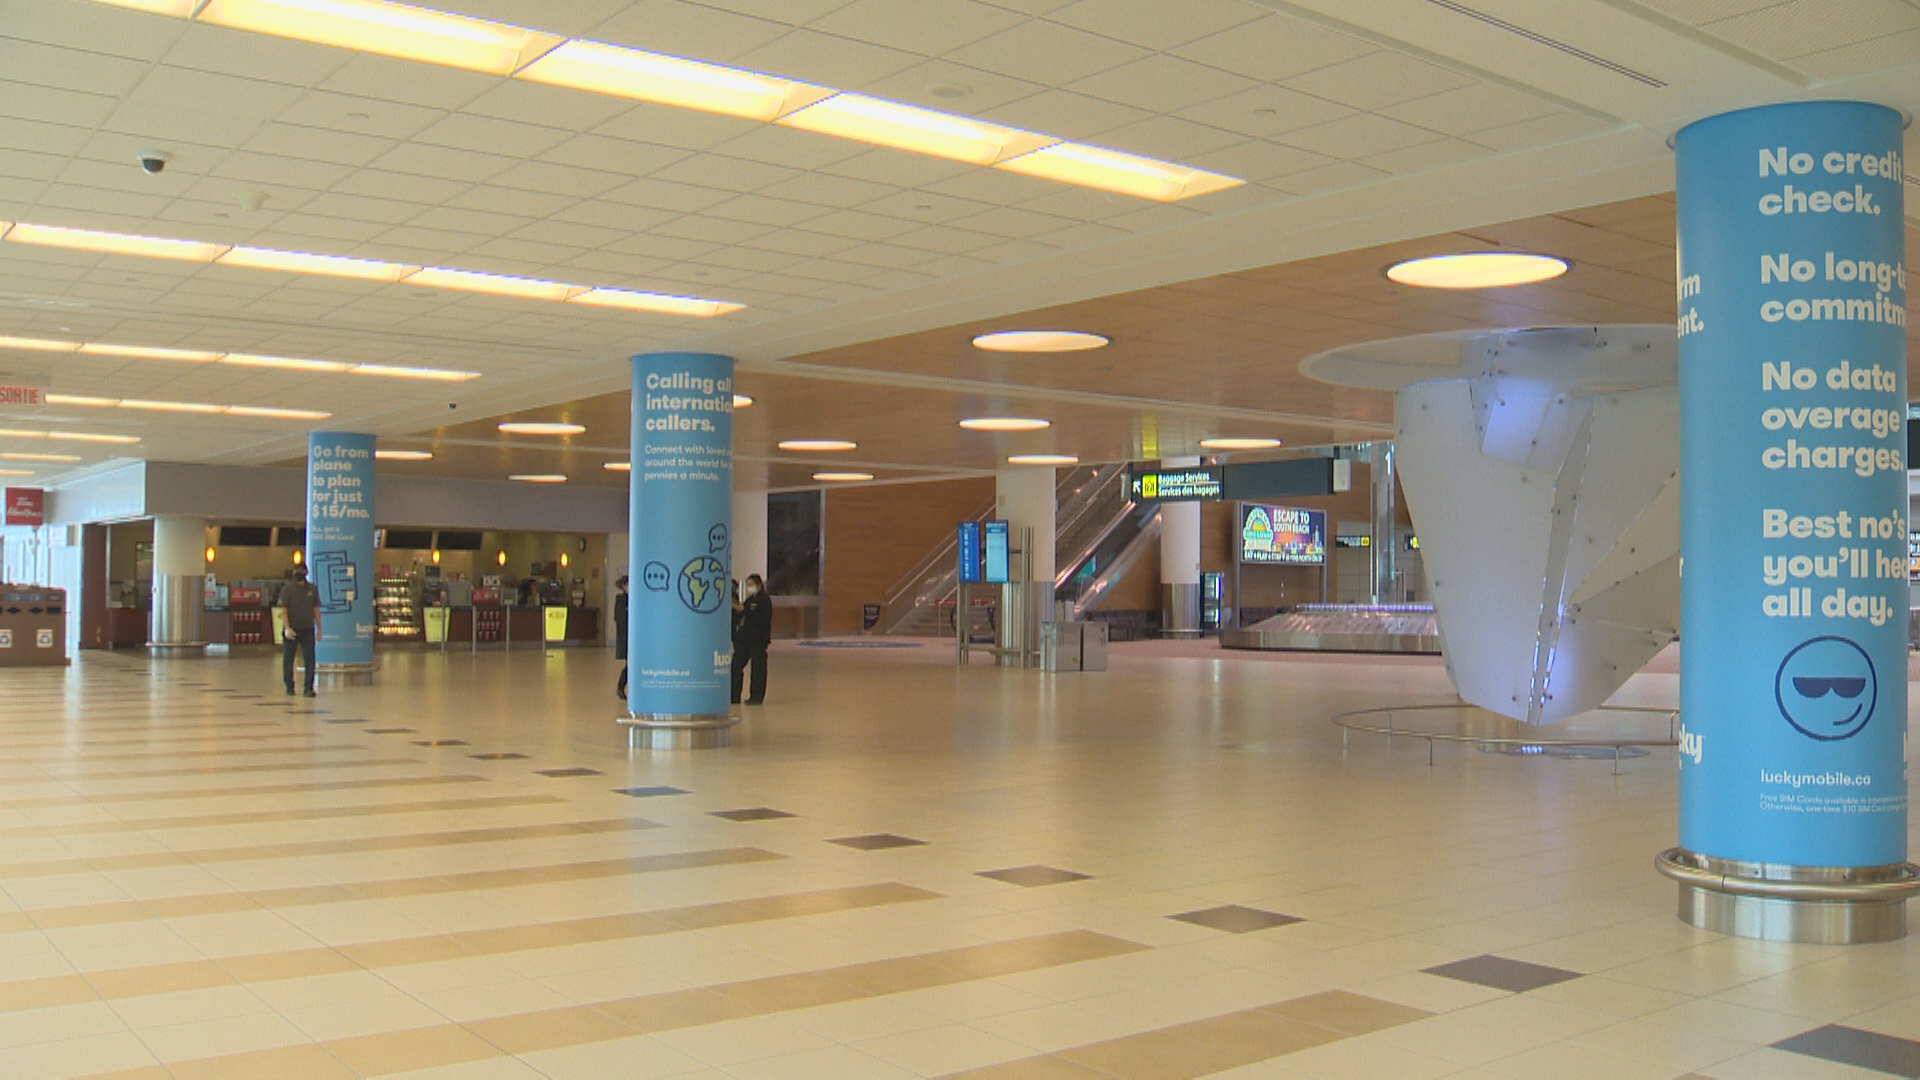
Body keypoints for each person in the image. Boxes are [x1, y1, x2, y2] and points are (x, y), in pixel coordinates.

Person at [277, 567, 321, 697]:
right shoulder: (287, 590)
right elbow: (283, 611)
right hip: (292, 629)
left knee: (309, 659)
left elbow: (316, 609)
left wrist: (319, 628)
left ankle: (308, 688)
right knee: (288, 659)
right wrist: (287, 628)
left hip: (307, 629)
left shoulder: (312, 589)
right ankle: (289, 687)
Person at [731, 573, 772, 705]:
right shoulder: (751, 599)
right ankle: (734, 695)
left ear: (758, 585)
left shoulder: (763, 600)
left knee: (758, 668)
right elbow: (743, 610)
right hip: (746, 640)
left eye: (750, 585)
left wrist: (742, 609)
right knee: (736, 665)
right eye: (747, 585)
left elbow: (752, 615)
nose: (749, 587)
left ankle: (756, 696)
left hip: (758, 640)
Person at [613, 575, 629, 701]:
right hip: (626, 638)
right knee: (630, 664)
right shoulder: (620, 601)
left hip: (633, 638)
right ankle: (620, 686)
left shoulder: (635, 599)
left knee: (632, 665)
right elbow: (620, 620)